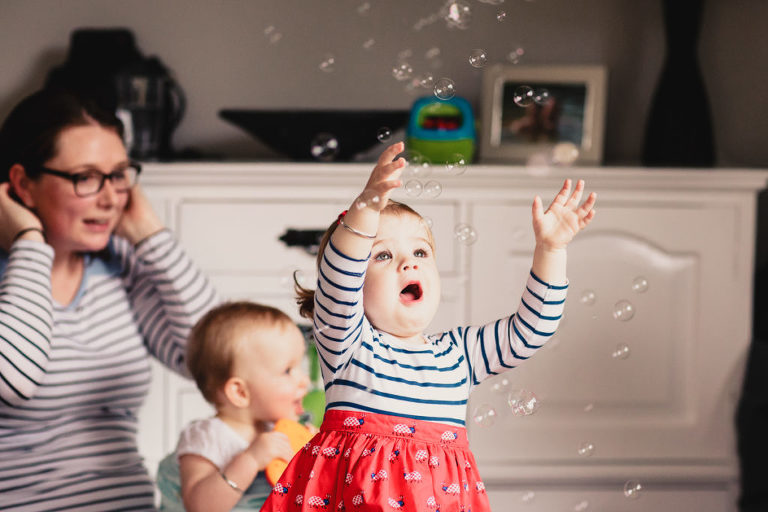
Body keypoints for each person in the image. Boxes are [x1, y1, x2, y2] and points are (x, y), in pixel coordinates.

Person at [261, 141, 597, 511]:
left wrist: (551, 251)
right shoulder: (349, 344)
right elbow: (339, 274)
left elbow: (530, 331)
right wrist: (366, 207)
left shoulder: (459, 354)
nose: (409, 263)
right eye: (383, 255)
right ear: (355, 285)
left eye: (421, 252)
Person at [0, 89, 219, 510]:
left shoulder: (120, 264)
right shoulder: (13, 281)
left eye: (118, 175)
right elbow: (13, 381)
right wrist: (28, 243)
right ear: (23, 184)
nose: (110, 199)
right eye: (85, 177)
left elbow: (217, 359)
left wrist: (151, 235)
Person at [156, 301, 311, 511]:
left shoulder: (277, 431)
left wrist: (313, 452)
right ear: (240, 392)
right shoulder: (208, 436)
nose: (304, 381)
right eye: (288, 371)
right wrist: (251, 460)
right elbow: (200, 506)